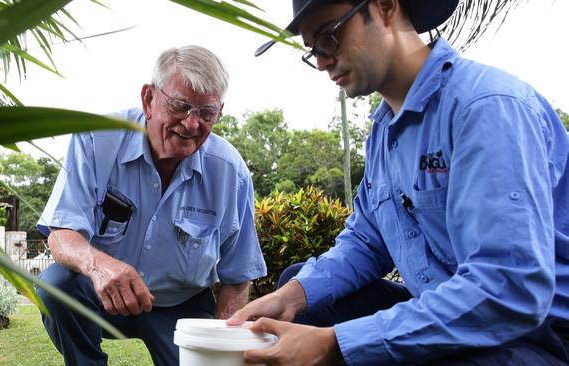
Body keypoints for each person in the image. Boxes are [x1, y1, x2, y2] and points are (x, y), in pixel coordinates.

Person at [227, 0, 569, 365]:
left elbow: (510, 287)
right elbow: (365, 242)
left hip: (535, 334)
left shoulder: (485, 107)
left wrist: (335, 343)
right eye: (314, 50)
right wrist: (292, 296)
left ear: (386, 7)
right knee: (302, 292)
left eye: (329, 36)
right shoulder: (384, 134)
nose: (323, 61)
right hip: (446, 308)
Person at [35, 45, 267, 366]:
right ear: (148, 99)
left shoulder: (230, 172)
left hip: (181, 306)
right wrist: (100, 266)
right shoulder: (95, 139)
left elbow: (238, 274)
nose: (190, 124)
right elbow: (62, 233)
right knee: (56, 285)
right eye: (180, 106)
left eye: (206, 113)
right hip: (102, 294)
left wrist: (218, 344)